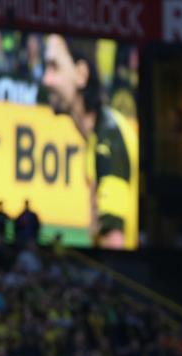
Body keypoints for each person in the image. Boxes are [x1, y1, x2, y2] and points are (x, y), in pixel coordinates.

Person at [42, 34, 139, 250]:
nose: (45, 80)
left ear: (81, 74)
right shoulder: (98, 136)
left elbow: (114, 239)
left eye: (54, 67)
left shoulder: (109, 138)